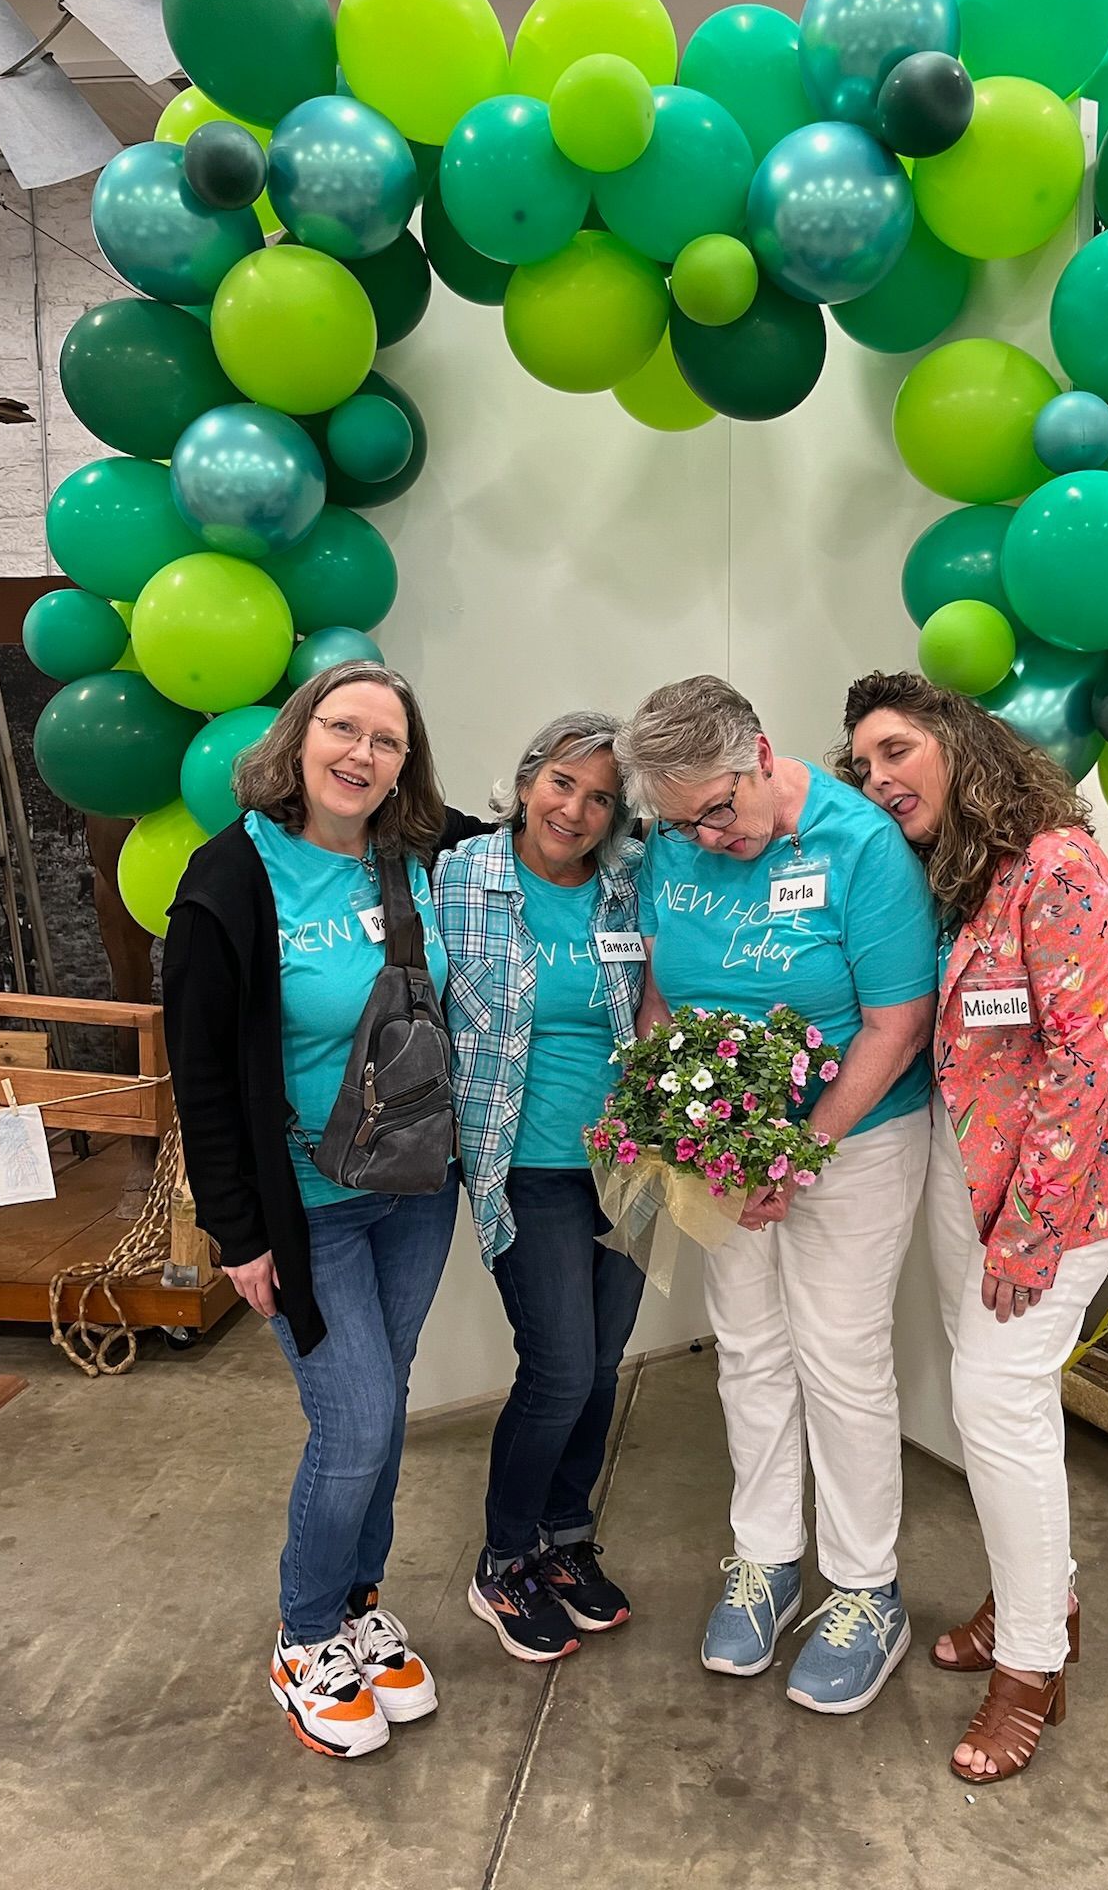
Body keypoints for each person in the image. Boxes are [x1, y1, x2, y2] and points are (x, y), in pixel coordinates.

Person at [840, 670, 1108, 1783]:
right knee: (989, 1411)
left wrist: (1027, 1232)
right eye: (863, 764)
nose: (878, 778)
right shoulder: (961, 873)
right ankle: (1043, 1598)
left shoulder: (1059, 867)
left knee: (996, 1396)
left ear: (960, 746)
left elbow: (1088, 1060)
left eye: (895, 751)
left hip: (1058, 1195)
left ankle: (1031, 1666)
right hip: (964, 1174)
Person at [163, 662, 486, 1760]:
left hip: (410, 1189)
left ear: (407, 762)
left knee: (384, 1403)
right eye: (342, 728)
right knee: (350, 1423)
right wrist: (237, 1229)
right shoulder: (229, 878)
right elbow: (200, 1071)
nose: (361, 753)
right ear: (300, 738)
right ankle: (304, 1632)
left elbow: (546, 832)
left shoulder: (420, 857)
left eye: (386, 740)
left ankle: (356, 1601)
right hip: (304, 1207)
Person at [614, 675, 937, 1716]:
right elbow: (663, 985)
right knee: (748, 1344)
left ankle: (863, 1585)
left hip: (857, 1138)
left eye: (720, 808)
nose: (705, 836)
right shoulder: (676, 839)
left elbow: (898, 1022)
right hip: (724, 1146)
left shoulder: (860, 846)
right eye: (679, 821)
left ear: (760, 753)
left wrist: (796, 1152)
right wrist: (682, 1109)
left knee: (840, 1354)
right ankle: (766, 1556)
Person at [433, 712, 647, 1665]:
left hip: (629, 1165)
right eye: (564, 783)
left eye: (601, 796)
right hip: (524, 1163)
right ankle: (503, 1560)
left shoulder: (629, 889)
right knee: (559, 1367)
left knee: (600, 1366)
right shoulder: (460, 879)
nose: (578, 808)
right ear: (526, 783)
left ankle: (564, 1541)